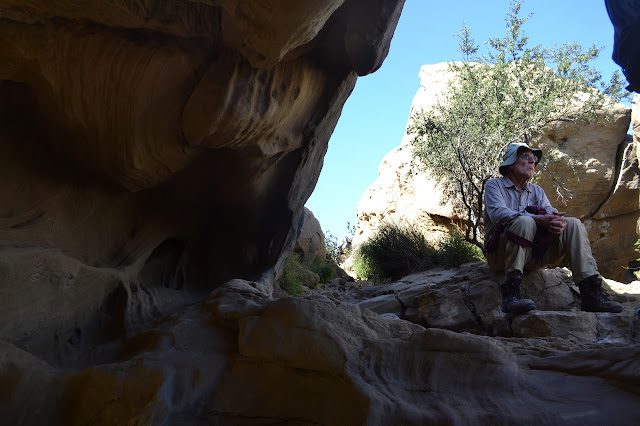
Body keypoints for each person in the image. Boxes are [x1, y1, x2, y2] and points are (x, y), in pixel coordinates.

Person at [483, 142, 622, 315]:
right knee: (525, 221)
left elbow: (550, 213)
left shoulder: (537, 191)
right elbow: (498, 214)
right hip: (500, 257)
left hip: (531, 255)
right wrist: (538, 219)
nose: (532, 162)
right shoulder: (494, 186)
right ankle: (512, 294)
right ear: (511, 163)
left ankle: (590, 293)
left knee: (573, 224)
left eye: (534, 159)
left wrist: (557, 222)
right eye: (526, 157)